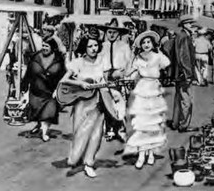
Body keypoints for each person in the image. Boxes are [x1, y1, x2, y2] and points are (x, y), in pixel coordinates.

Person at [59, 28, 110, 178]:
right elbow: (64, 80)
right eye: (90, 46)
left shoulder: (102, 61)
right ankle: (76, 158)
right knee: (80, 132)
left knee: (96, 133)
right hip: (82, 102)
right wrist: (80, 83)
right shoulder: (78, 62)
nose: (94, 49)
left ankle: (89, 163)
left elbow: (106, 80)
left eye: (95, 46)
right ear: (84, 48)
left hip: (99, 101)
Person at [124, 31, 170, 169]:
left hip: (154, 90)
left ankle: (150, 153)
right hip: (142, 89)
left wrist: (159, 52)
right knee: (142, 123)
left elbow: (166, 63)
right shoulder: (138, 58)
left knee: (153, 124)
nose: (146, 45)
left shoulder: (158, 57)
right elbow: (132, 73)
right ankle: (141, 154)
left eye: (148, 42)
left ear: (153, 43)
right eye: (143, 43)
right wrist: (128, 78)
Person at [24, 37, 66, 142]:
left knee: (48, 113)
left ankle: (44, 132)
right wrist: (24, 87)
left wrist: (58, 90)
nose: (44, 48)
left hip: (50, 92)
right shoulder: (36, 57)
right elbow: (28, 74)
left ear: (52, 47)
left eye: (47, 46)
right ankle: (40, 126)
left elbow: (62, 76)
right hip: (36, 91)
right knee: (37, 112)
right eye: (43, 45)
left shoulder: (58, 59)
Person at [99, 18, 133, 142]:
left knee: (120, 105)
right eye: (109, 32)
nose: (111, 34)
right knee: (108, 105)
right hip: (106, 78)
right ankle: (110, 130)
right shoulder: (103, 46)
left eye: (114, 32)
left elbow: (129, 62)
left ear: (118, 34)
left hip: (119, 78)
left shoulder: (124, 46)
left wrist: (125, 75)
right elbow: (99, 62)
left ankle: (121, 130)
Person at [170, 15, 198, 133]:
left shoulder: (179, 36)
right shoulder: (185, 37)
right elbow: (184, 57)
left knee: (178, 98)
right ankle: (184, 125)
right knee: (187, 101)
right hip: (184, 73)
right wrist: (188, 74)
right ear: (185, 25)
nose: (192, 26)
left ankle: (175, 123)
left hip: (178, 73)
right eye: (190, 23)